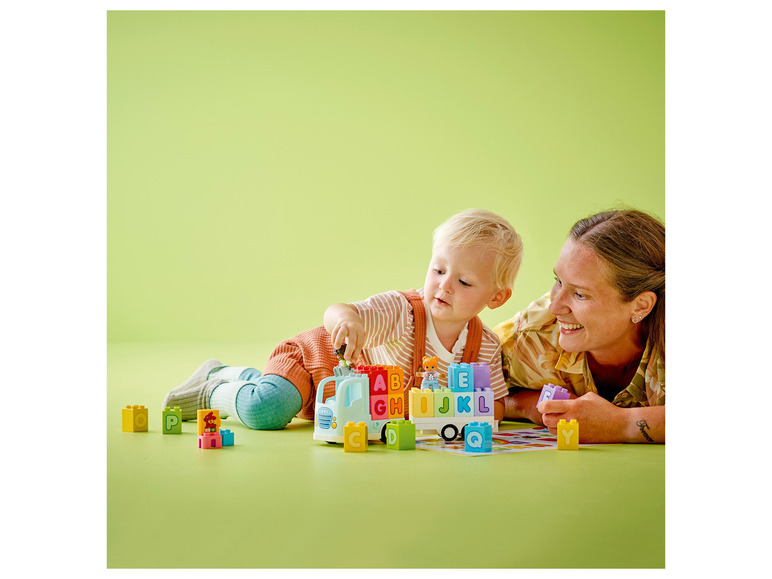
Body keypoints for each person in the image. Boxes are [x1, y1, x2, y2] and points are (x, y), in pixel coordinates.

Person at [163, 209, 523, 429]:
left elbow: (490, 407)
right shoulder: (402, 313)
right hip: (316, 363)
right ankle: (218, 382)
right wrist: (346, 322)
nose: (444, 286)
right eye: (438, 269)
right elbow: (339, 311)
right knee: (267, 410)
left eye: (463, 281)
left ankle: (246, 380)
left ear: (497, 297)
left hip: (348, 410)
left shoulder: (485, 348)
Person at [494, 209, 664, 443]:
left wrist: (620, 424)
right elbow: (466, 389)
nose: (555, 307)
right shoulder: (532, 335)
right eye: (559, 281)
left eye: (580, 295)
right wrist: (528, 405)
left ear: (641, 306)